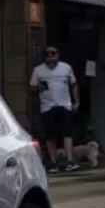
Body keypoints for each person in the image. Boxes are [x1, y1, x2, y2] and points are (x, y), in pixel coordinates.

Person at [30, 45, 80, 174]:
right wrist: (39, 88)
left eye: (53, 53)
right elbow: (32, 88)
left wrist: (76, 101)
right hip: (47, 106)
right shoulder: (38, 71)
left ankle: (69, 159)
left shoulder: (66, 68)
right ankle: (53, 161)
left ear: (58, 55)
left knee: (67, 132)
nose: (50, 57)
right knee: (50, 135)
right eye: (48, 54)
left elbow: (73, 84)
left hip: (64, 104)